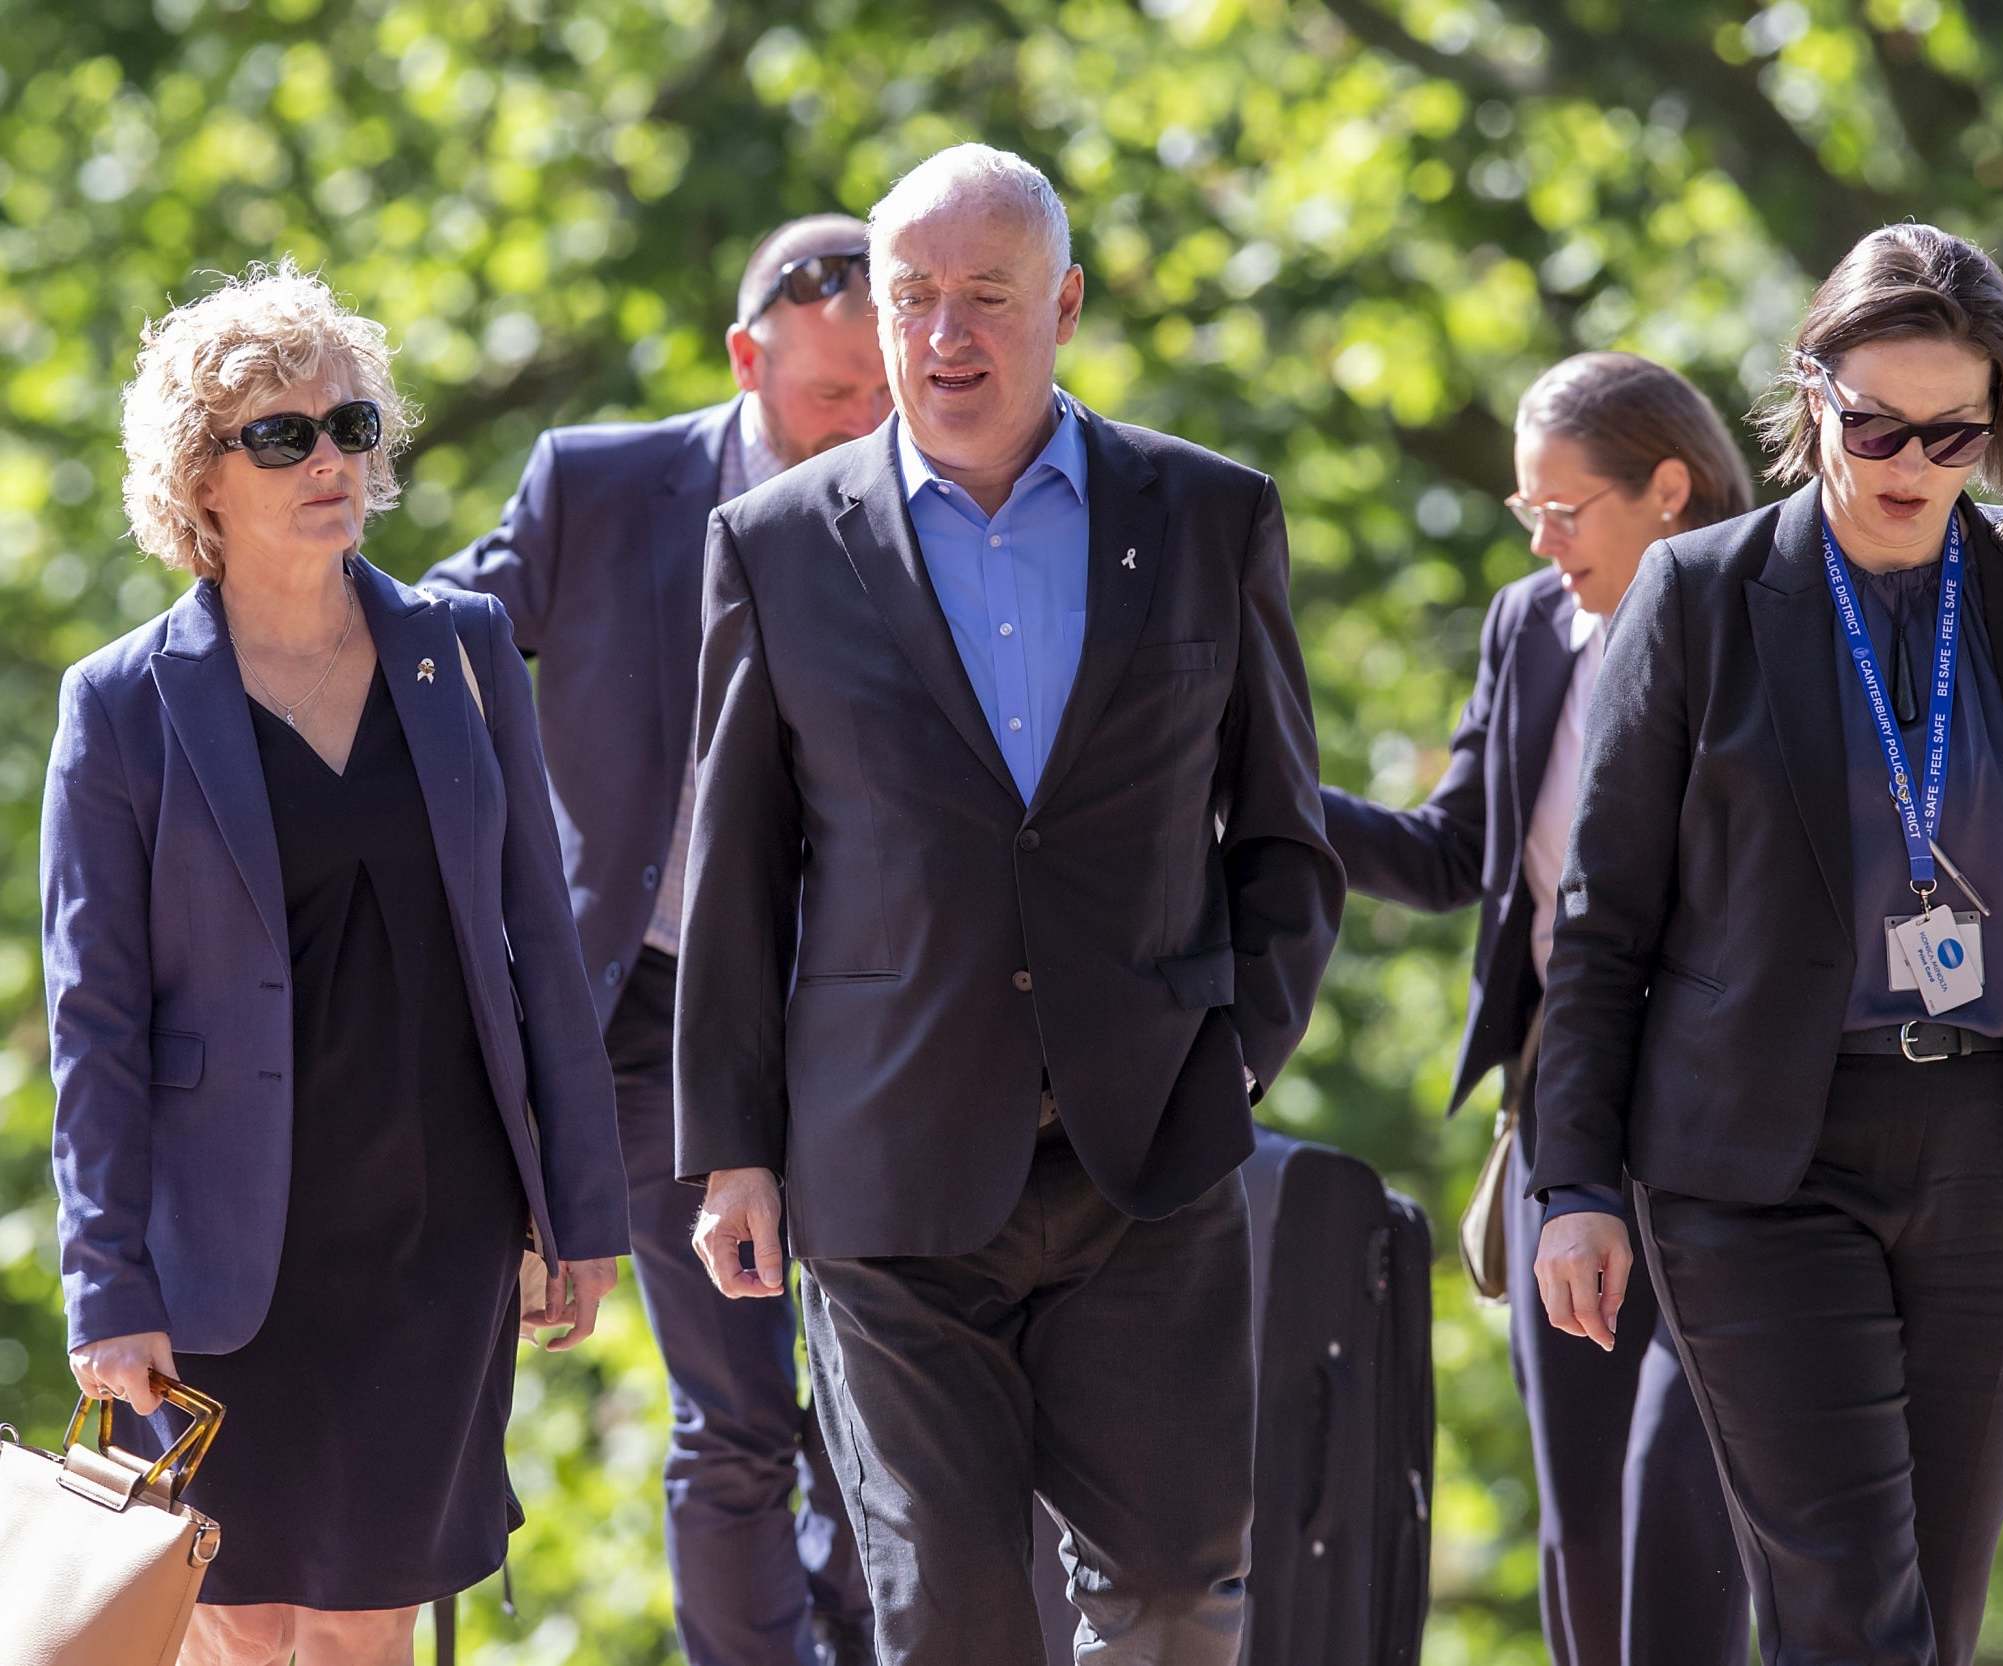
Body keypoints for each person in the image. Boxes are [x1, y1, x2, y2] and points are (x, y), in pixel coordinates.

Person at [674, 144, 1345, 1666]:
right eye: (911, 299)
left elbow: (1284, 836)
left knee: (1177, 1590)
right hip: (886, 1172)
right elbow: (736, 874)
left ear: (1067, 302)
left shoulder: (1204, 515)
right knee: (955, 1617)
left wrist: (1232, 1052)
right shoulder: (775, 547)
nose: (944, 337)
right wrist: (732, 1148)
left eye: (986, 296)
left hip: (1146, 1160)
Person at [1528, 225, 2003, 1666]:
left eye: (1952, 433)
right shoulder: (1698, 596)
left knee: (1924, 1625)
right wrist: (1571, 1180)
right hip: (1755, 1164)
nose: (1909, 462)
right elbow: (1602, 920)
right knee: (1849, 1612)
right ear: (1811, 396)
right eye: (1875, 423)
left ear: (1997, 427)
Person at [41, 261, 628, 1666]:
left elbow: (541, 939)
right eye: (283, 434)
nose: (332, 461)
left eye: (352, 425)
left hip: (441, 1224)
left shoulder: (465, 651)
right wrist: (106, 1283)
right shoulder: (123, 704)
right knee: (238, 1627)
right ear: (201, 477)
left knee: (367, 1624)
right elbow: (95, 1016)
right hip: (219, 1247)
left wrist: (581, 1204)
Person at [422, 215, 888, 1666]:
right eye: (830, 397)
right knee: (738, 1413)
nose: (863, 425)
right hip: (642, 1015)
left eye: (883, 394)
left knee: (889, 1407)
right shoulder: (604, 484)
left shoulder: (936, 498)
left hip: (861, 1015)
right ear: (748, 357)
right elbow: (422, 637)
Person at [1323, 352, 1753, 1666]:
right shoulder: (1528, 625)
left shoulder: (1768, 626)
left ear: (1666, 490)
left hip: (1730, 1121)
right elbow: (1457, 852)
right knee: (1581, 1526)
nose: (1542, 541)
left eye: (1565, 510)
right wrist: (1253, 792)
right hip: (1557, 1119)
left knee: (1694, 1514)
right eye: (1525, 512)